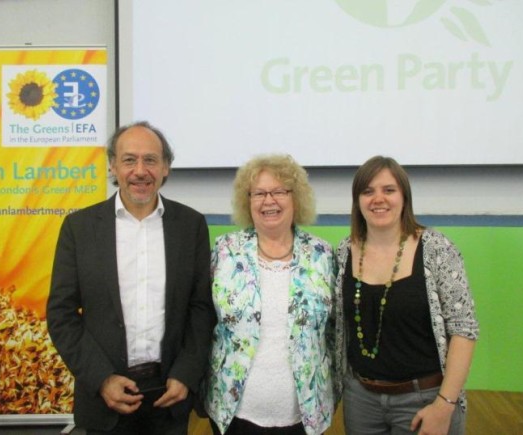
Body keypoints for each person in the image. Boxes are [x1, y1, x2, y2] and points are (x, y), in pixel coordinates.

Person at [46, 121, 216, 435]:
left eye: (151, 160)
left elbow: (201, 307)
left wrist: (186, 373)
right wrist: (102, 379)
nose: (140, 170)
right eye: (129, 160)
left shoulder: (190, 225)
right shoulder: (80, 228)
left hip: (169, 396)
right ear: (113, 165)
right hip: (104, 399)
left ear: (166, 167)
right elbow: (61, 314)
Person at [335, 156, 479, 435]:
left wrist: (445, 404)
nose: (378, 199)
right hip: (361, 400)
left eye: (389, 190)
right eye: (368, 191)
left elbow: (464, 329)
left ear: (404, 196)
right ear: (357, 201)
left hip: (426, 399)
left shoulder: (437, 249)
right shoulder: (344, 252)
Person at [204, 154, 337, 435]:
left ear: (296, 198)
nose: (269, 201)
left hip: (306, 415)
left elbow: (335, 333)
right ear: (247, 200)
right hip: (233, 412)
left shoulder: (322, 255)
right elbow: (204, 321)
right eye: (259, 193)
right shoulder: (225, 251)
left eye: (279, 192)